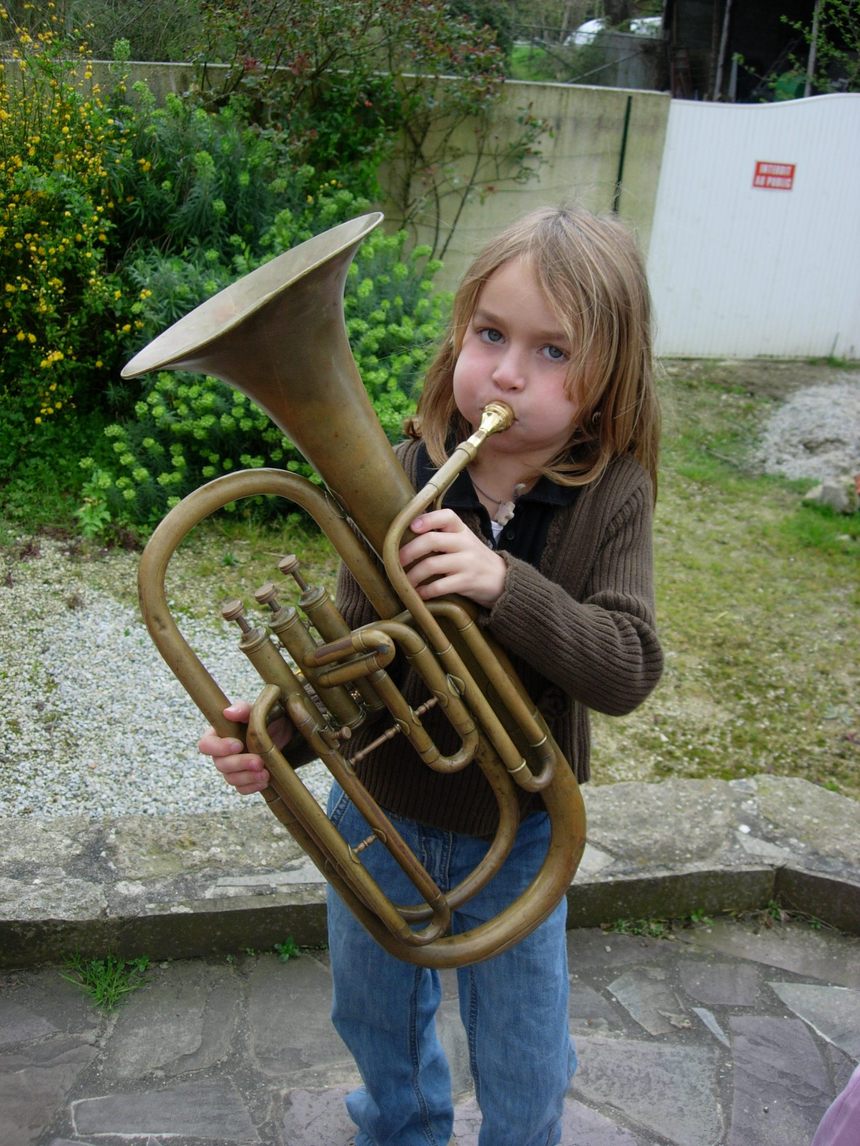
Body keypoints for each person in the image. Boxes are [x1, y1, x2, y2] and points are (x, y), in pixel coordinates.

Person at [199, 205, 664, 1146]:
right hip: (380, 816)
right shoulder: (404, 469)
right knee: (375, 1027)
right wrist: (278, 732)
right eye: (490, 334)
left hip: (523, 830)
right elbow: (358, 656)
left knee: (526, 1051)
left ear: (610, 382)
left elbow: (627, 667)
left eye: (553, 353)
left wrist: (505, 585)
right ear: (459, 333)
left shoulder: (612, 494)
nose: (504, 372)